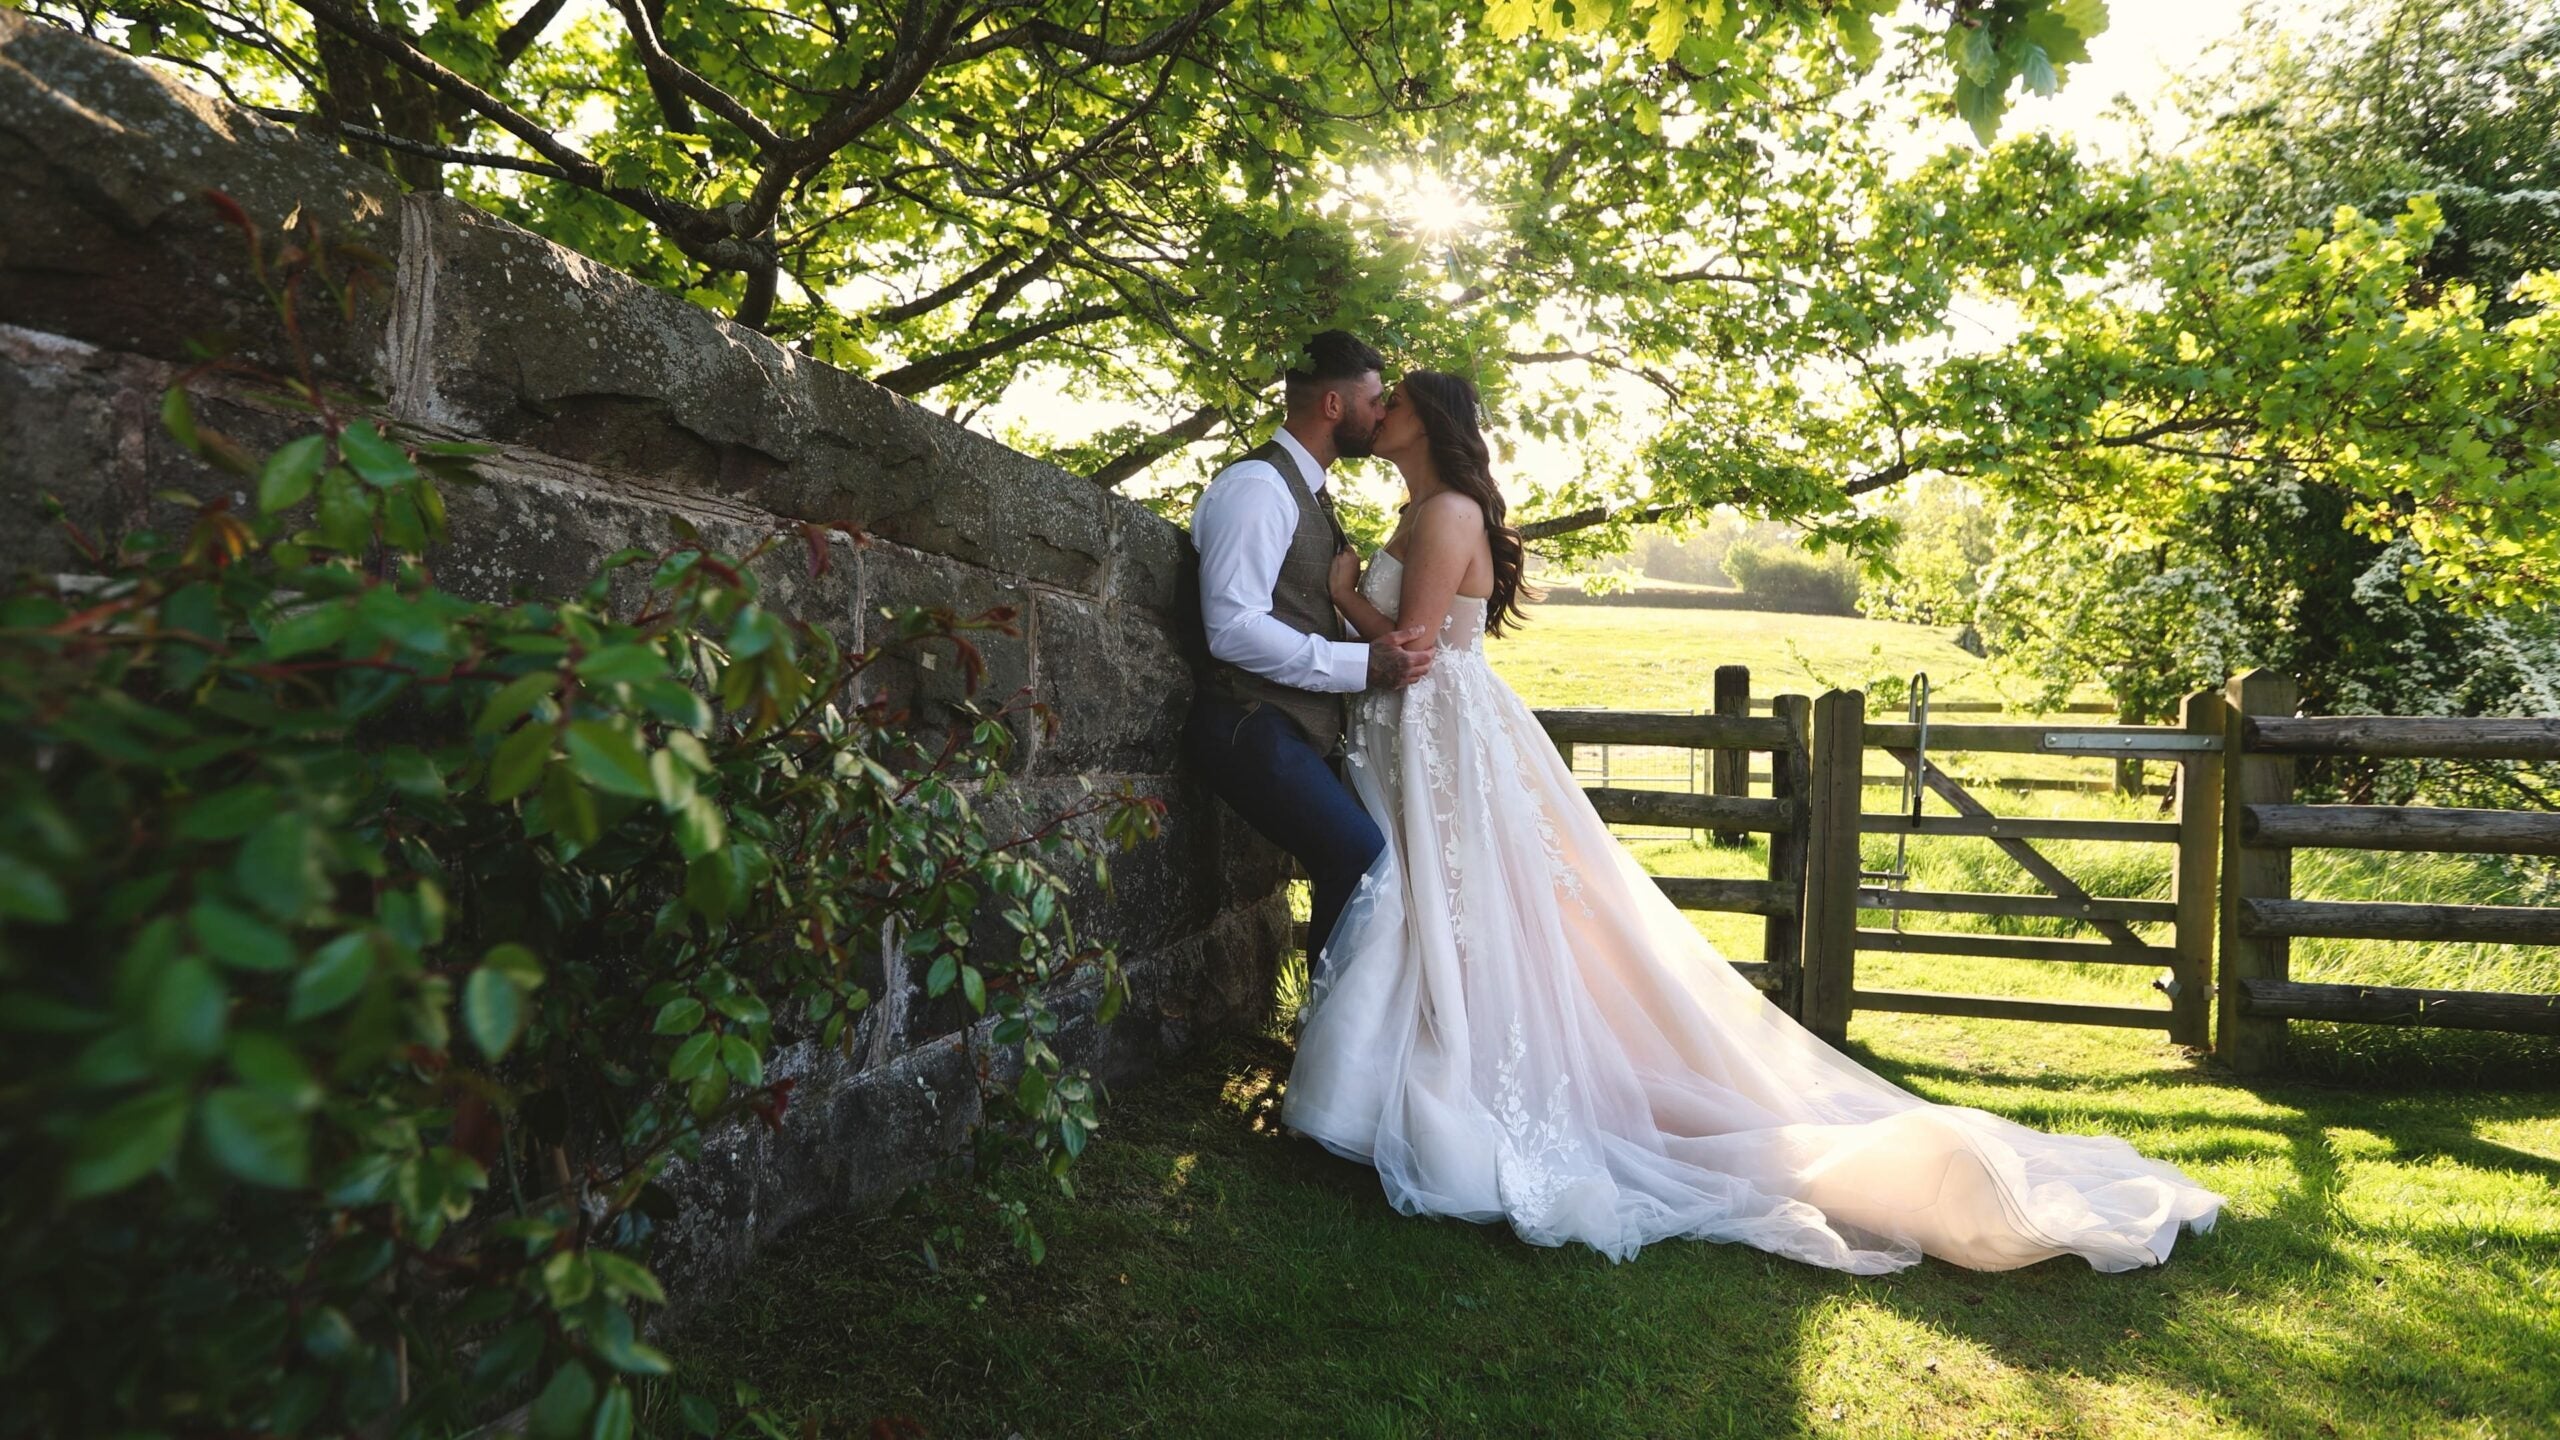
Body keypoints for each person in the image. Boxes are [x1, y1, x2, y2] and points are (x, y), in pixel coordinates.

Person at [1280, 370, 2225, 1272]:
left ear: (1429, 422)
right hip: (1417, 735)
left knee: (1455, 907)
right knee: (1436, 908)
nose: (1380, 411)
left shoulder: (1447, 512)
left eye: (1395, 402)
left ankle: (1450, 1084)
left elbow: (1414, 648)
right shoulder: (1418, 509)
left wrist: (1346, 594)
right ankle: (1406, 1076)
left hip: (1443, 734)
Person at [1185, 331, 1434, 978]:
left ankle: (1327, 1021)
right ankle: (1325, 1020)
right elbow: (1232, 627)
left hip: (1288, 726)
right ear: (1332, 405)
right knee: (1357, 853)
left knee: (1369, 856)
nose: (1381, 414)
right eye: (1375, 401)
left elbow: (1298, 607)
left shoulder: (1307, 488)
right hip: (1245, 723)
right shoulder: (1259, 487)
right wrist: (1363, 665)